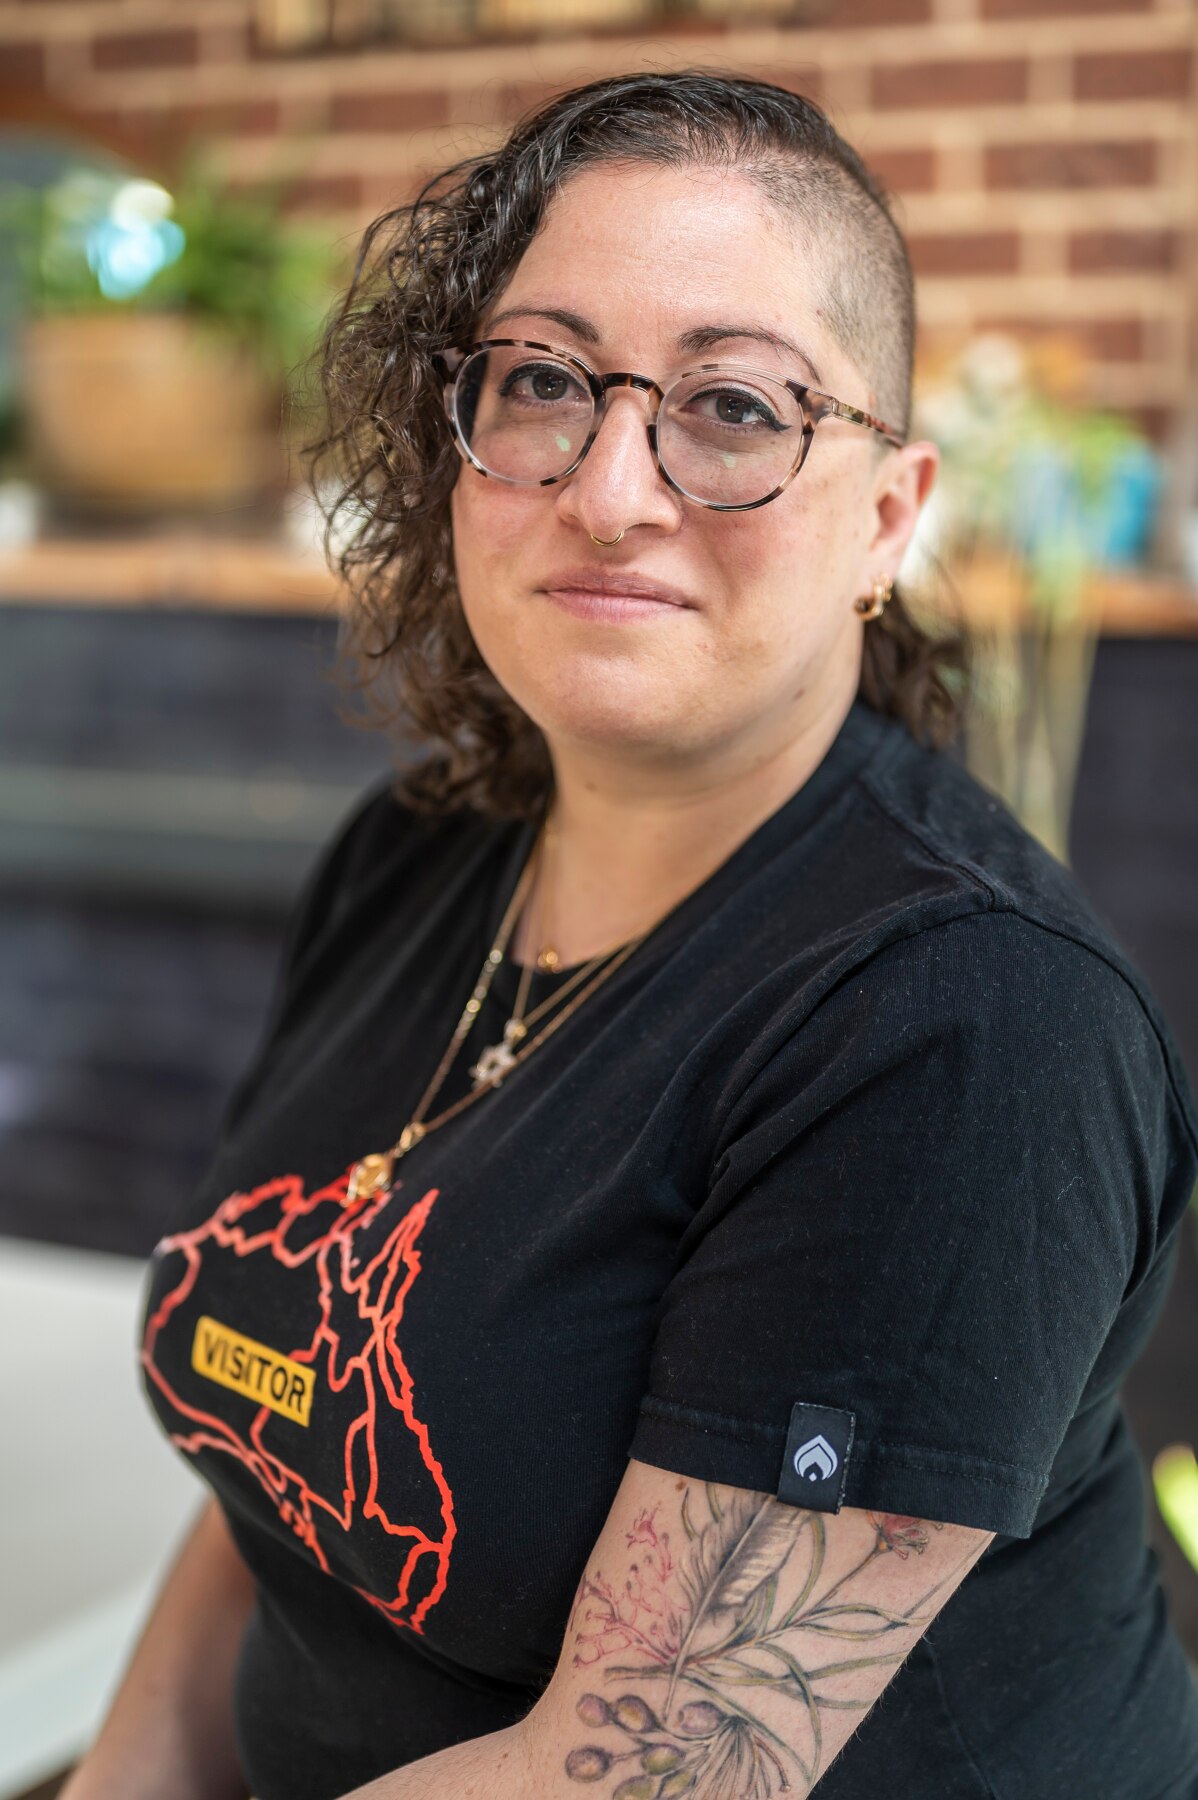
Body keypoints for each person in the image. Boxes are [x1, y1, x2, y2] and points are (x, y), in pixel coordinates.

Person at [63, 69, 1197, 1800]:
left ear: (886, 517)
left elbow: (639, 1776)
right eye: (540, 381)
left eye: (731, 406)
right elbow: (273, 1480)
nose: (609, 488)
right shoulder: (421, 857)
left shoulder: (967, 1024)